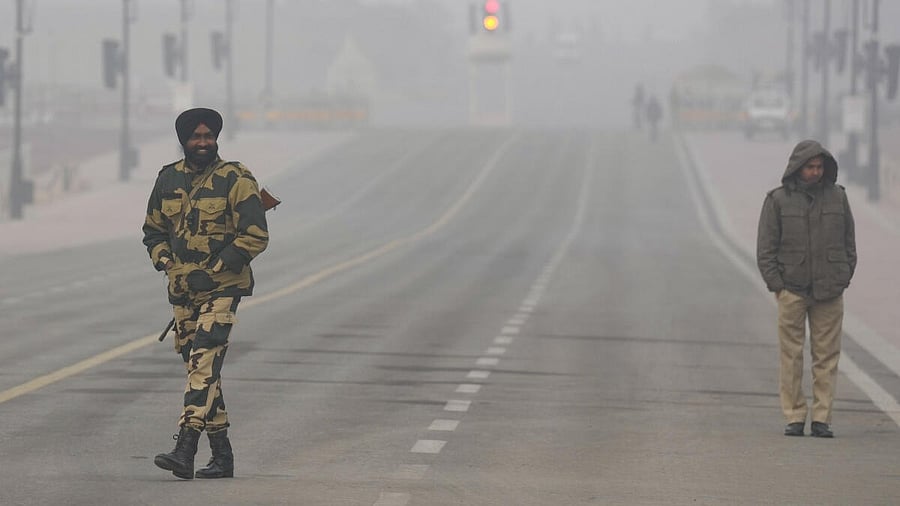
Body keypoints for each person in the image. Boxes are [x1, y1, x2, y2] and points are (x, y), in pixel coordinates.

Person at [142, 107, 269, 478]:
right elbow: (153, 232)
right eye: (196, 137)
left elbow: (255, 236)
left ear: (216, 139)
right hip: (182, 292)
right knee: (202, 370)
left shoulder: (236, 178)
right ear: (184, 140)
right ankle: (223, 456)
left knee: (203, 363)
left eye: (208, 136)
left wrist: (213, 271)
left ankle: (185, 447)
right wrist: (167, 262)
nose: (203, 142)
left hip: (223, 288)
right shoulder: (167, 179)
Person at [756, 140, 856, 438]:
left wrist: (843, 276)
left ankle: (822, 417)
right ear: (797, 168)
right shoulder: (777, 200)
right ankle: (795, 415)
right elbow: (765, 249)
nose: (815, 172)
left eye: (819, 167)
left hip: (829, 291)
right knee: (791, 356)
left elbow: (849, 243)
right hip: (792, 290)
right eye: (810, 167)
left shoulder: (838, 197)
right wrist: (778, 287)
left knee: (827, 357)